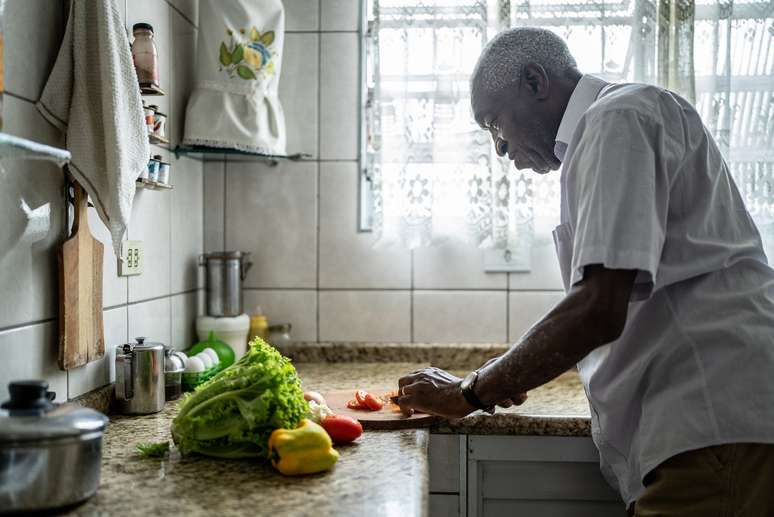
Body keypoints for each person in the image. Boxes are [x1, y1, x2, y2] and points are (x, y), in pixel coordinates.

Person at [395, 27, 774, 515]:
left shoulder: (618, 119)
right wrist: (508, 373)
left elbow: (597, 308)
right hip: (711, 427)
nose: (500, 149)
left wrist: (471, 390)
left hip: (713, 423)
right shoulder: (611, 129)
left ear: (535, 82)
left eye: (494, 124)